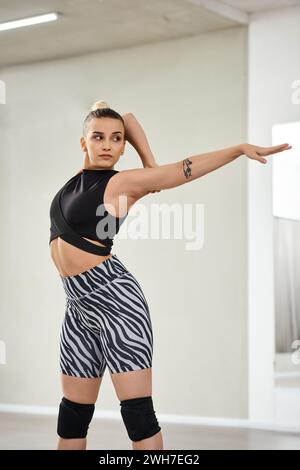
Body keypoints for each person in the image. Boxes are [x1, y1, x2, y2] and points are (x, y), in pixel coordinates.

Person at [49, 100, 291, 451]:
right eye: (98, 137)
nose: (108, 145)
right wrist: (144, 155)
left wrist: (238, 149)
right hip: (77, 306)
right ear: (83, 142)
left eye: (117, 139)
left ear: (122, 146)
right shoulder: (77, 181)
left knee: (137, 415)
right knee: (71, 417)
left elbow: (183, 169)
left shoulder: (124, 183)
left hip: (116, 302)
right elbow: (118, 112)